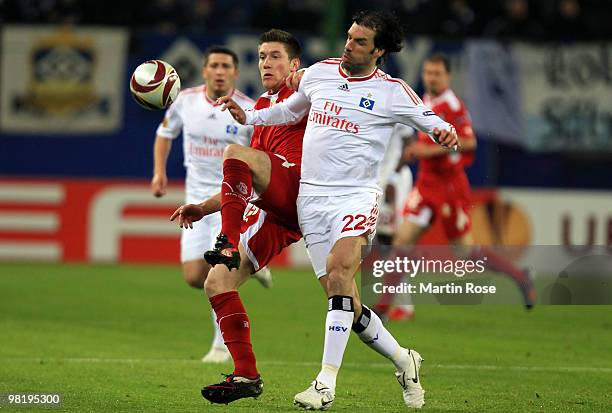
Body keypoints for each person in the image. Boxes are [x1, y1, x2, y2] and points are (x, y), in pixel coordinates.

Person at [218, 10, 459, 409]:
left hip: (356, 196)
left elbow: (429, 119)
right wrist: (252, 115)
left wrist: (442, 130)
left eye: (360, 41)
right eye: (349, 37)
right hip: (311, 200)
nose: (349, 45)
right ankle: (404, 359)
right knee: (341, 294)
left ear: (379, 50)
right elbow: (290, 110)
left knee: (341, 271)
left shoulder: (393, 91)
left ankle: (324, 383)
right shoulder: (320, 73)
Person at [170, 29, 305, 404]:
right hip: (275, 210)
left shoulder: (312, 94)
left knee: (235, 151)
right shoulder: (261, 107)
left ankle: (225, 240)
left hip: (304, 195)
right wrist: (201, 208)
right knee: (215, 283)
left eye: (275, 56)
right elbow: (244, 182)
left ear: (295, 64)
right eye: (261, 56)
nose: (265, 63)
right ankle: (246, 374)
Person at [385, 53, 536, 315]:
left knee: (464, 251)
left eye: (437, 73)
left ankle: (519, 276)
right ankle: (383, 310)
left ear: (448, 76)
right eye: (428, 73)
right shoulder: (426, 100)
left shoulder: (453, 106)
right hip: (426, 184)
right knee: (402, 240)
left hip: (449, 188)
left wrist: (424, 151)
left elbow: (468, 142)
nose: (431, 77)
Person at [152, 45, 271, 364]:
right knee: (193, 275)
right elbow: (165, 133)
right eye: (214, 65)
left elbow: (261, 157)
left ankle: (220, 346)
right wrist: (159, 173)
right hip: (194, 200)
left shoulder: (249, 110)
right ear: (204, 70)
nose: (219, 71)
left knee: (217, 275)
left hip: (230, 200)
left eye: (226, 66)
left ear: (235, 72)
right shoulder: (185, 101)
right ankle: (252, 264)